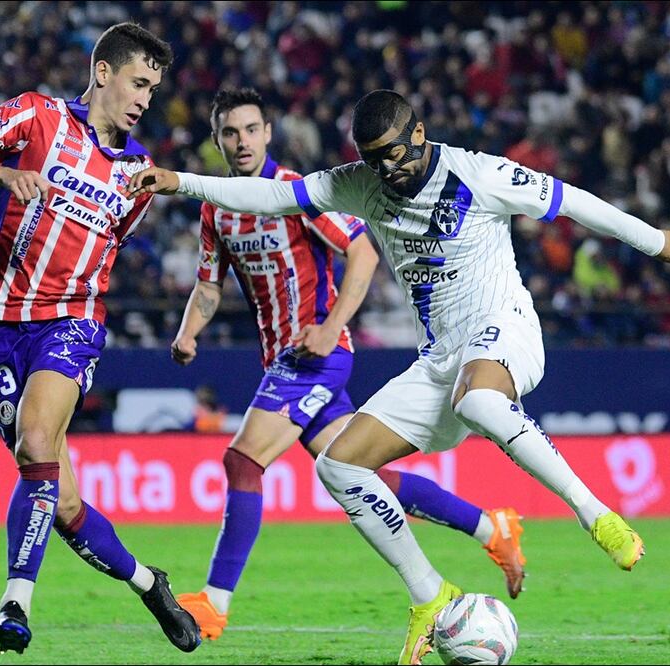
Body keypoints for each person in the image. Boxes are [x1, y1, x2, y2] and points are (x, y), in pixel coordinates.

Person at [126, 89, 670, 664]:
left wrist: (653, 239)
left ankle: (596, 515)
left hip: (503, 327)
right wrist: (181, 181)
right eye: (374, 159)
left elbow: (572, 202)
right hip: (439, 360)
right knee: (338, 465)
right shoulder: (358, 183)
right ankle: (430, 595)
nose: (388, 170)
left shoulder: (479, 173)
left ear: (418, 133)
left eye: (395, 154)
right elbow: (273, 196)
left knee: (481, 404)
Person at [170, 88, 527, 641]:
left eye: (250, 129)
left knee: (243, 462)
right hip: (283, 359)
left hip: (315, 357)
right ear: (217, 140)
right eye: (229, 133)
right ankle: (492, 527)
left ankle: (213, 603)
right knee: (367, 474)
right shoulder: (218, 209)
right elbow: (208, 284)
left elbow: (361, 250)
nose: (241, 142)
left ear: (268, 132)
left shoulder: (297, 194)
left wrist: (333, 326)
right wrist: (189, 332)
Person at [0, 23, 199, 655]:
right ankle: (149, 581)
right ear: (102, 72)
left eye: (153, 90)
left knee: (37, 439)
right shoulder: (36, 115)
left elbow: (106, 251)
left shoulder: (137, 177)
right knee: (61, 499)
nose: (145, 99)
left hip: (71, 323)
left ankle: (15, 599)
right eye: (138, 82)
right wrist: (0, 175)